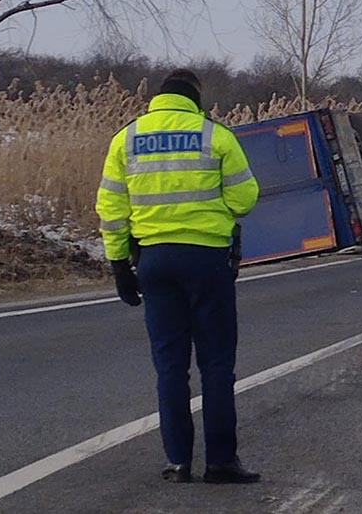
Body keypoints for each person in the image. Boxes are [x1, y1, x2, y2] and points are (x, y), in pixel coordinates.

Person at [95, 69, 262, 485]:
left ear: (157, 98)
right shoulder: (215, 135)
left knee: (170, 367)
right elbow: (245, 198)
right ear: (195, 98)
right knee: (217, 365)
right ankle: (221, 462)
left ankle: (179, 462)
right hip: (207, 261)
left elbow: (111, 212)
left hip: (154, 262)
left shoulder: (126, 139)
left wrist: (119, 266)